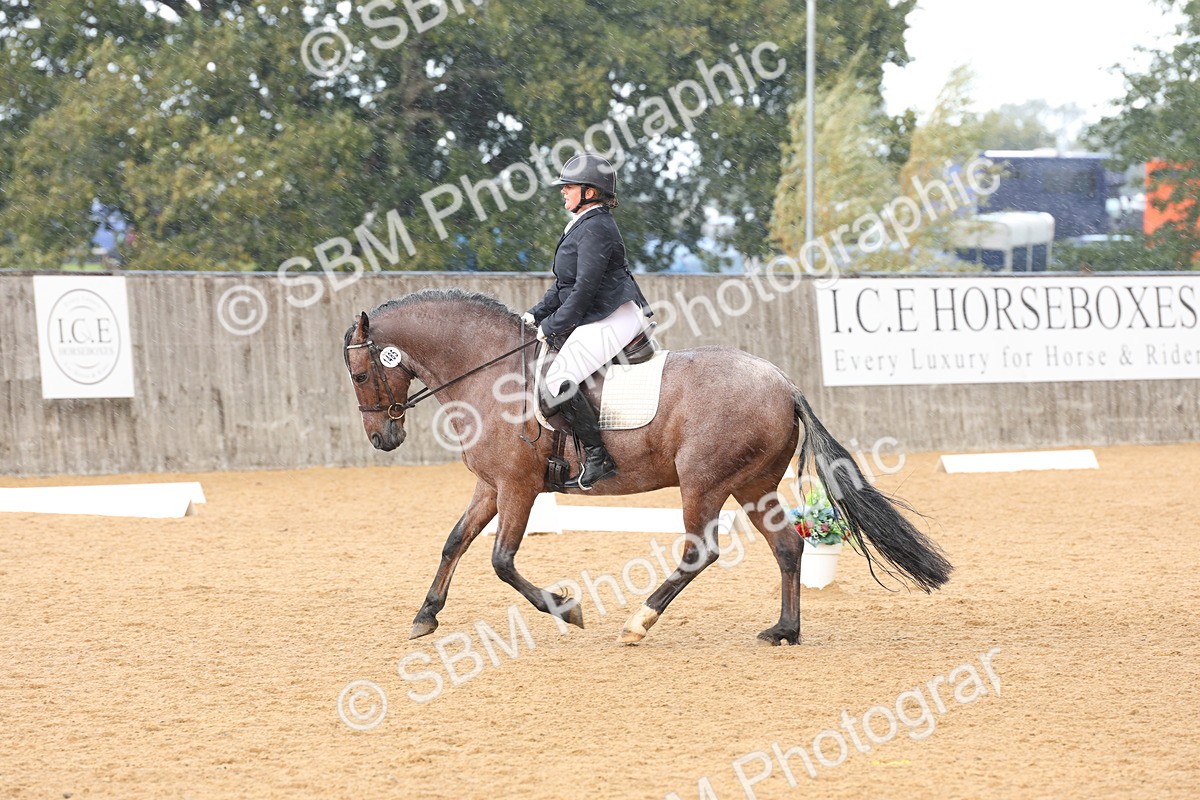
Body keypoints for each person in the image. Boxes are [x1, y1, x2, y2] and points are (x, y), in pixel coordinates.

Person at [523, 153, 652, 490]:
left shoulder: (596, 227)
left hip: (616, 315)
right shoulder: (583, 224)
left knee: (557, 380)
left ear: (590, 192)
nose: (563, 192)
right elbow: (563, 285)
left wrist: (551, 327)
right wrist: (535, 313)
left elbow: (583, 292)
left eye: (570, 187)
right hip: (600, 312)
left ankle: (598, 455)